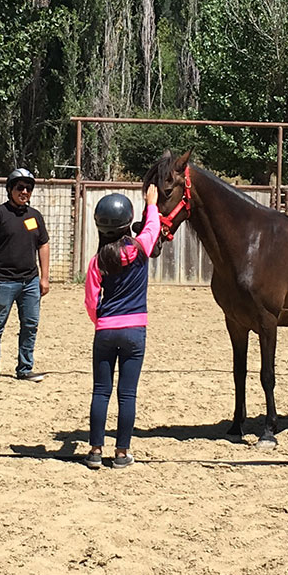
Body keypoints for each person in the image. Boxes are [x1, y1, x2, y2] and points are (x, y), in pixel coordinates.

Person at [83, 184, 160, 469]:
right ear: (128, 223)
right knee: (127, 394)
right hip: (135, 330)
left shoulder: (97, 261)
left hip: (105, 330)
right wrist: (151, 202)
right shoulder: (141, 248)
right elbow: (153, 226)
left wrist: (100, 321)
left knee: (100, 391)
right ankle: (121, 452)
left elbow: (91, 301)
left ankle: (94, 450)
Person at [0, 168, 50, 383]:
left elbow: (43, 244)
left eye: (28, 188)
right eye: (20, 187)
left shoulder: (34, 216)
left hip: (30, 282)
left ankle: (25, 368)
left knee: (30, 324)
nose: (24, 191)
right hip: (3, 281)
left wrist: (44, 278)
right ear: (10, 189)